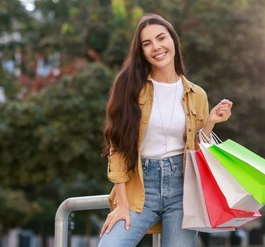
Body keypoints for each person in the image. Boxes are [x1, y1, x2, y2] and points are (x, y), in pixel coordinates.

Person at [98, 13, 233, 247]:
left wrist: (210, 122)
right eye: (147, 43)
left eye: (161, 38)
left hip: (182, 191)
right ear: (141, 51)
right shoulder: (129, 86)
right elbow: (117, 147)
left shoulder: (197, 94)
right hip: (139, 189)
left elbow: (197, 151)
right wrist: (121, 204)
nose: (156, 47)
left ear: (173, 41)